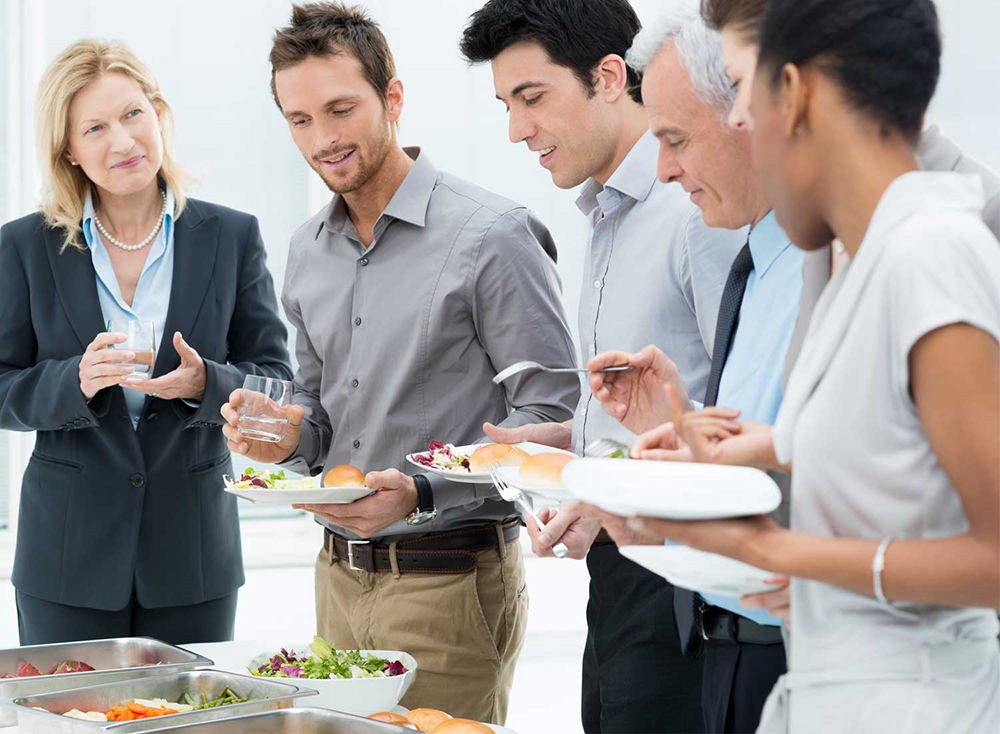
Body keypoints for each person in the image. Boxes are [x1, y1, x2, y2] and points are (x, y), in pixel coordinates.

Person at [624, 0, 1000, 731]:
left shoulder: (932, 253)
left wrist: (776, 549)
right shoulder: (858, 259)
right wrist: (743, 450)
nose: (736, 120)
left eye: (739, 84)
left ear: (794, 93)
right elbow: (893, 458)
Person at [220, 2, 579, 724]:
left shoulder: (492, 236)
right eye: (300, 120)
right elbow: (323, 420)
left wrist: (420, 490)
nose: (323, 139)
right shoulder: (306, 251)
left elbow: (554, 421)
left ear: (393, 98)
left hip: (449, 587)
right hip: (336, 584)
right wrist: (288, 438)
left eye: (340, 109)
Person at [460, 1, 745, 731]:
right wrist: (574, 444)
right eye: (506, 105)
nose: (517, 129)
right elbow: (662, 391)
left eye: (532, 98)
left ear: (611, 77)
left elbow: (745, 408)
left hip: (690, 585)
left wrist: (613, 477)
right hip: (623, 574)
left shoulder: (695, 211)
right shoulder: (609, 211)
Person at [0, 40, 292, 645]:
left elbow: (274, 377)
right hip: (65, 560)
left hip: (193, 557)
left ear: (159, 115)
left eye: (134, 114)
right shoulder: (25, 246)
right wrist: (72, 382)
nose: (123, 141)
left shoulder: (231, 236)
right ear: (70, 151)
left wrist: (207, 384)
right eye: (95, 127)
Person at [582, 3, 804, 730]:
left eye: (675, 139)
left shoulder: (838, 265)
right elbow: (757, 448)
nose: (667, 169)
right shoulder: (751, 264)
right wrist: (672, 430)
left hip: (801, 646)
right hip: (721, 646)